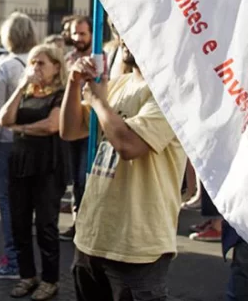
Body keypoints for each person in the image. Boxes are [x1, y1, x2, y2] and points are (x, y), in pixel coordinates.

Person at [61, 38, 185, 301]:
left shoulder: (172, 92)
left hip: (137, 247)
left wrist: (97, 101)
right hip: (92, 239)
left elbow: (129, 145)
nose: (126, 36)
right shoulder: (117, 85)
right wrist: (73, 84)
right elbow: (70, 130)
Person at [0, 44, 68, 300]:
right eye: (33, 63)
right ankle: (27, 276)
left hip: (48, 164)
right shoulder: (25, 92)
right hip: (20, 163)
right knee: (19, 222)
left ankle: (50, 280)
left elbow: (52, 125)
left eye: (42, 63)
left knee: (46, 225)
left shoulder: (60, 94)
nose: (36, 68)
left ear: (56, 67)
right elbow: (4, 119)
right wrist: (19, 87)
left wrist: (22, 129)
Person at [0, 12, 37, 279]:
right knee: (30, 203)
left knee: (7, 202)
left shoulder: (4, 65)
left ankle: (14, 260)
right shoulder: (40, 62)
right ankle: (25, 259)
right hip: (36, 140)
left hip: (8, 141)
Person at [60, 16, 102, 242]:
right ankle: (78, 222)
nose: (78, 38)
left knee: (84, 177)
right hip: (71, 124)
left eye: (83, 34)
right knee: (75, 180)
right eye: (75, 33)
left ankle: (88, 223)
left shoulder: (99, 59)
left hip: (89, 127)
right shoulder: (68, 59)